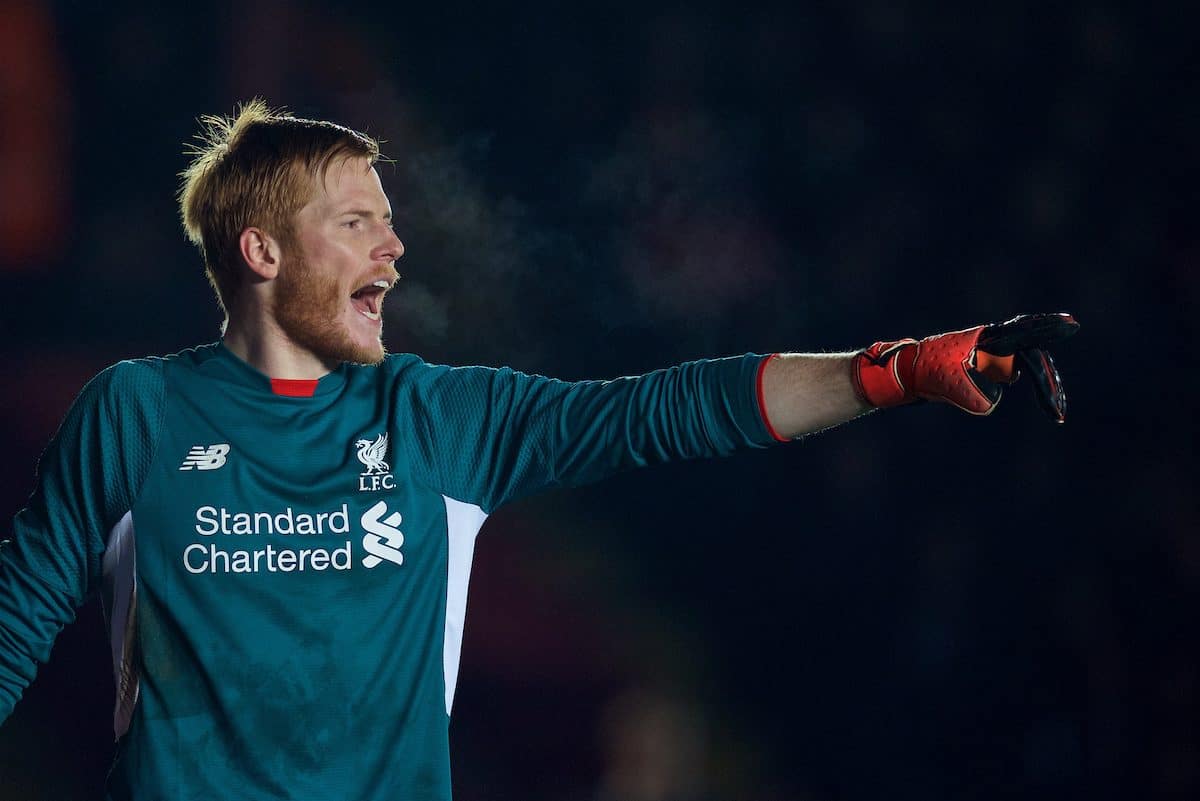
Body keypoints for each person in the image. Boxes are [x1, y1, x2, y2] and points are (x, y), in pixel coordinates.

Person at [0, 101, 1077, 801]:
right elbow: (16, 618)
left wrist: (895, 369)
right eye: (359, 223)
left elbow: (670, 409)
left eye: (393, 221)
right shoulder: (134, 413)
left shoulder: (438, 419)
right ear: (263, 250)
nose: (397, 246)